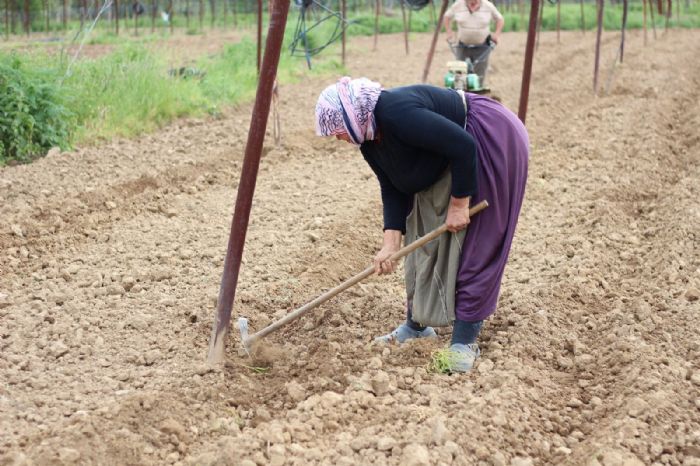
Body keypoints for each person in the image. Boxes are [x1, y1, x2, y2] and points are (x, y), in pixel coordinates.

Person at [315, 77, 528, 372]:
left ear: (351, 113)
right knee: (422, 237)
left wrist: (459, 205)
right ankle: (416, 326)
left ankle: (463, 342)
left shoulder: (395, 113)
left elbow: (464, 146)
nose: (337, 137)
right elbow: (392, 186)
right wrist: (390, 244)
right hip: (449, 155)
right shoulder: (368, 140)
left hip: (490, 138)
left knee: (477, 242)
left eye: (336, 128)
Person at [443, 0, 504, 85]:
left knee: (479, 74)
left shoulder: (488, 5)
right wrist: (449, 32)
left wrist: (496, 34)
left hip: (482, 46)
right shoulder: (458, 4)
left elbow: (500, 19)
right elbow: (446, 17)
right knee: (459, 71)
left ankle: (477, 94)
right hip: (462, 45)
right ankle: (461, 94)